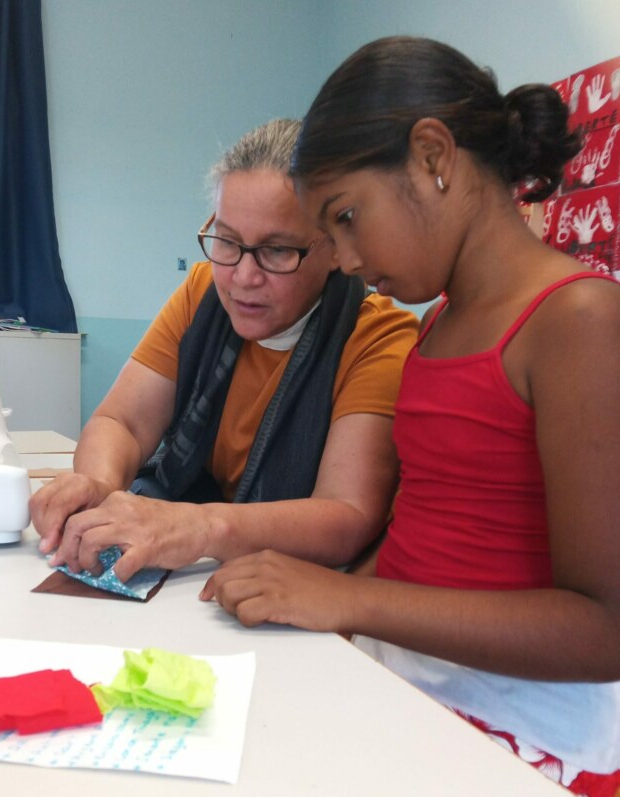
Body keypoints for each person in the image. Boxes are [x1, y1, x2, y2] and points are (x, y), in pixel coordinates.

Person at [203, 38, 620, 795]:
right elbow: (423, 539)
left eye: (348, 217)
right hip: (410, 682)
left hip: (523, 729)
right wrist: (304, 586)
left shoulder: (579, 320)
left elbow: (607, 629)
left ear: (434, 155)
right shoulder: (437, 327)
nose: (350, 259)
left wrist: (347, 597)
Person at [30, 118, 418, 583]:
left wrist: (200, 525)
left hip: (292, 588)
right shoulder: (201, 295)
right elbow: (122, 423)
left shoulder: (377, 337)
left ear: (335, 248)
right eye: (228, 241)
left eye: (277, 251)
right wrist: (100, 487)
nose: (243, 277)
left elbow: (346, 514)